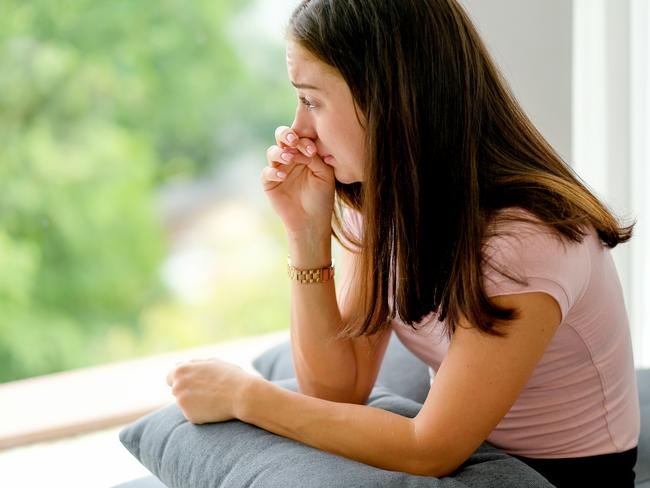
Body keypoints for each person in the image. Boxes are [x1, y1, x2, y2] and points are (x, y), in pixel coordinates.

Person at [165, 1, 640, 486]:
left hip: (559, 475)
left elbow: (428, 450)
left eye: (311, 100)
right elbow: (338, 390)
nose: (299, 129)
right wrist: (306, 233)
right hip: (471, 443)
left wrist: (246, 397)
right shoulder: (387, 200)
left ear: (386, 97)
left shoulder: (523, 239)